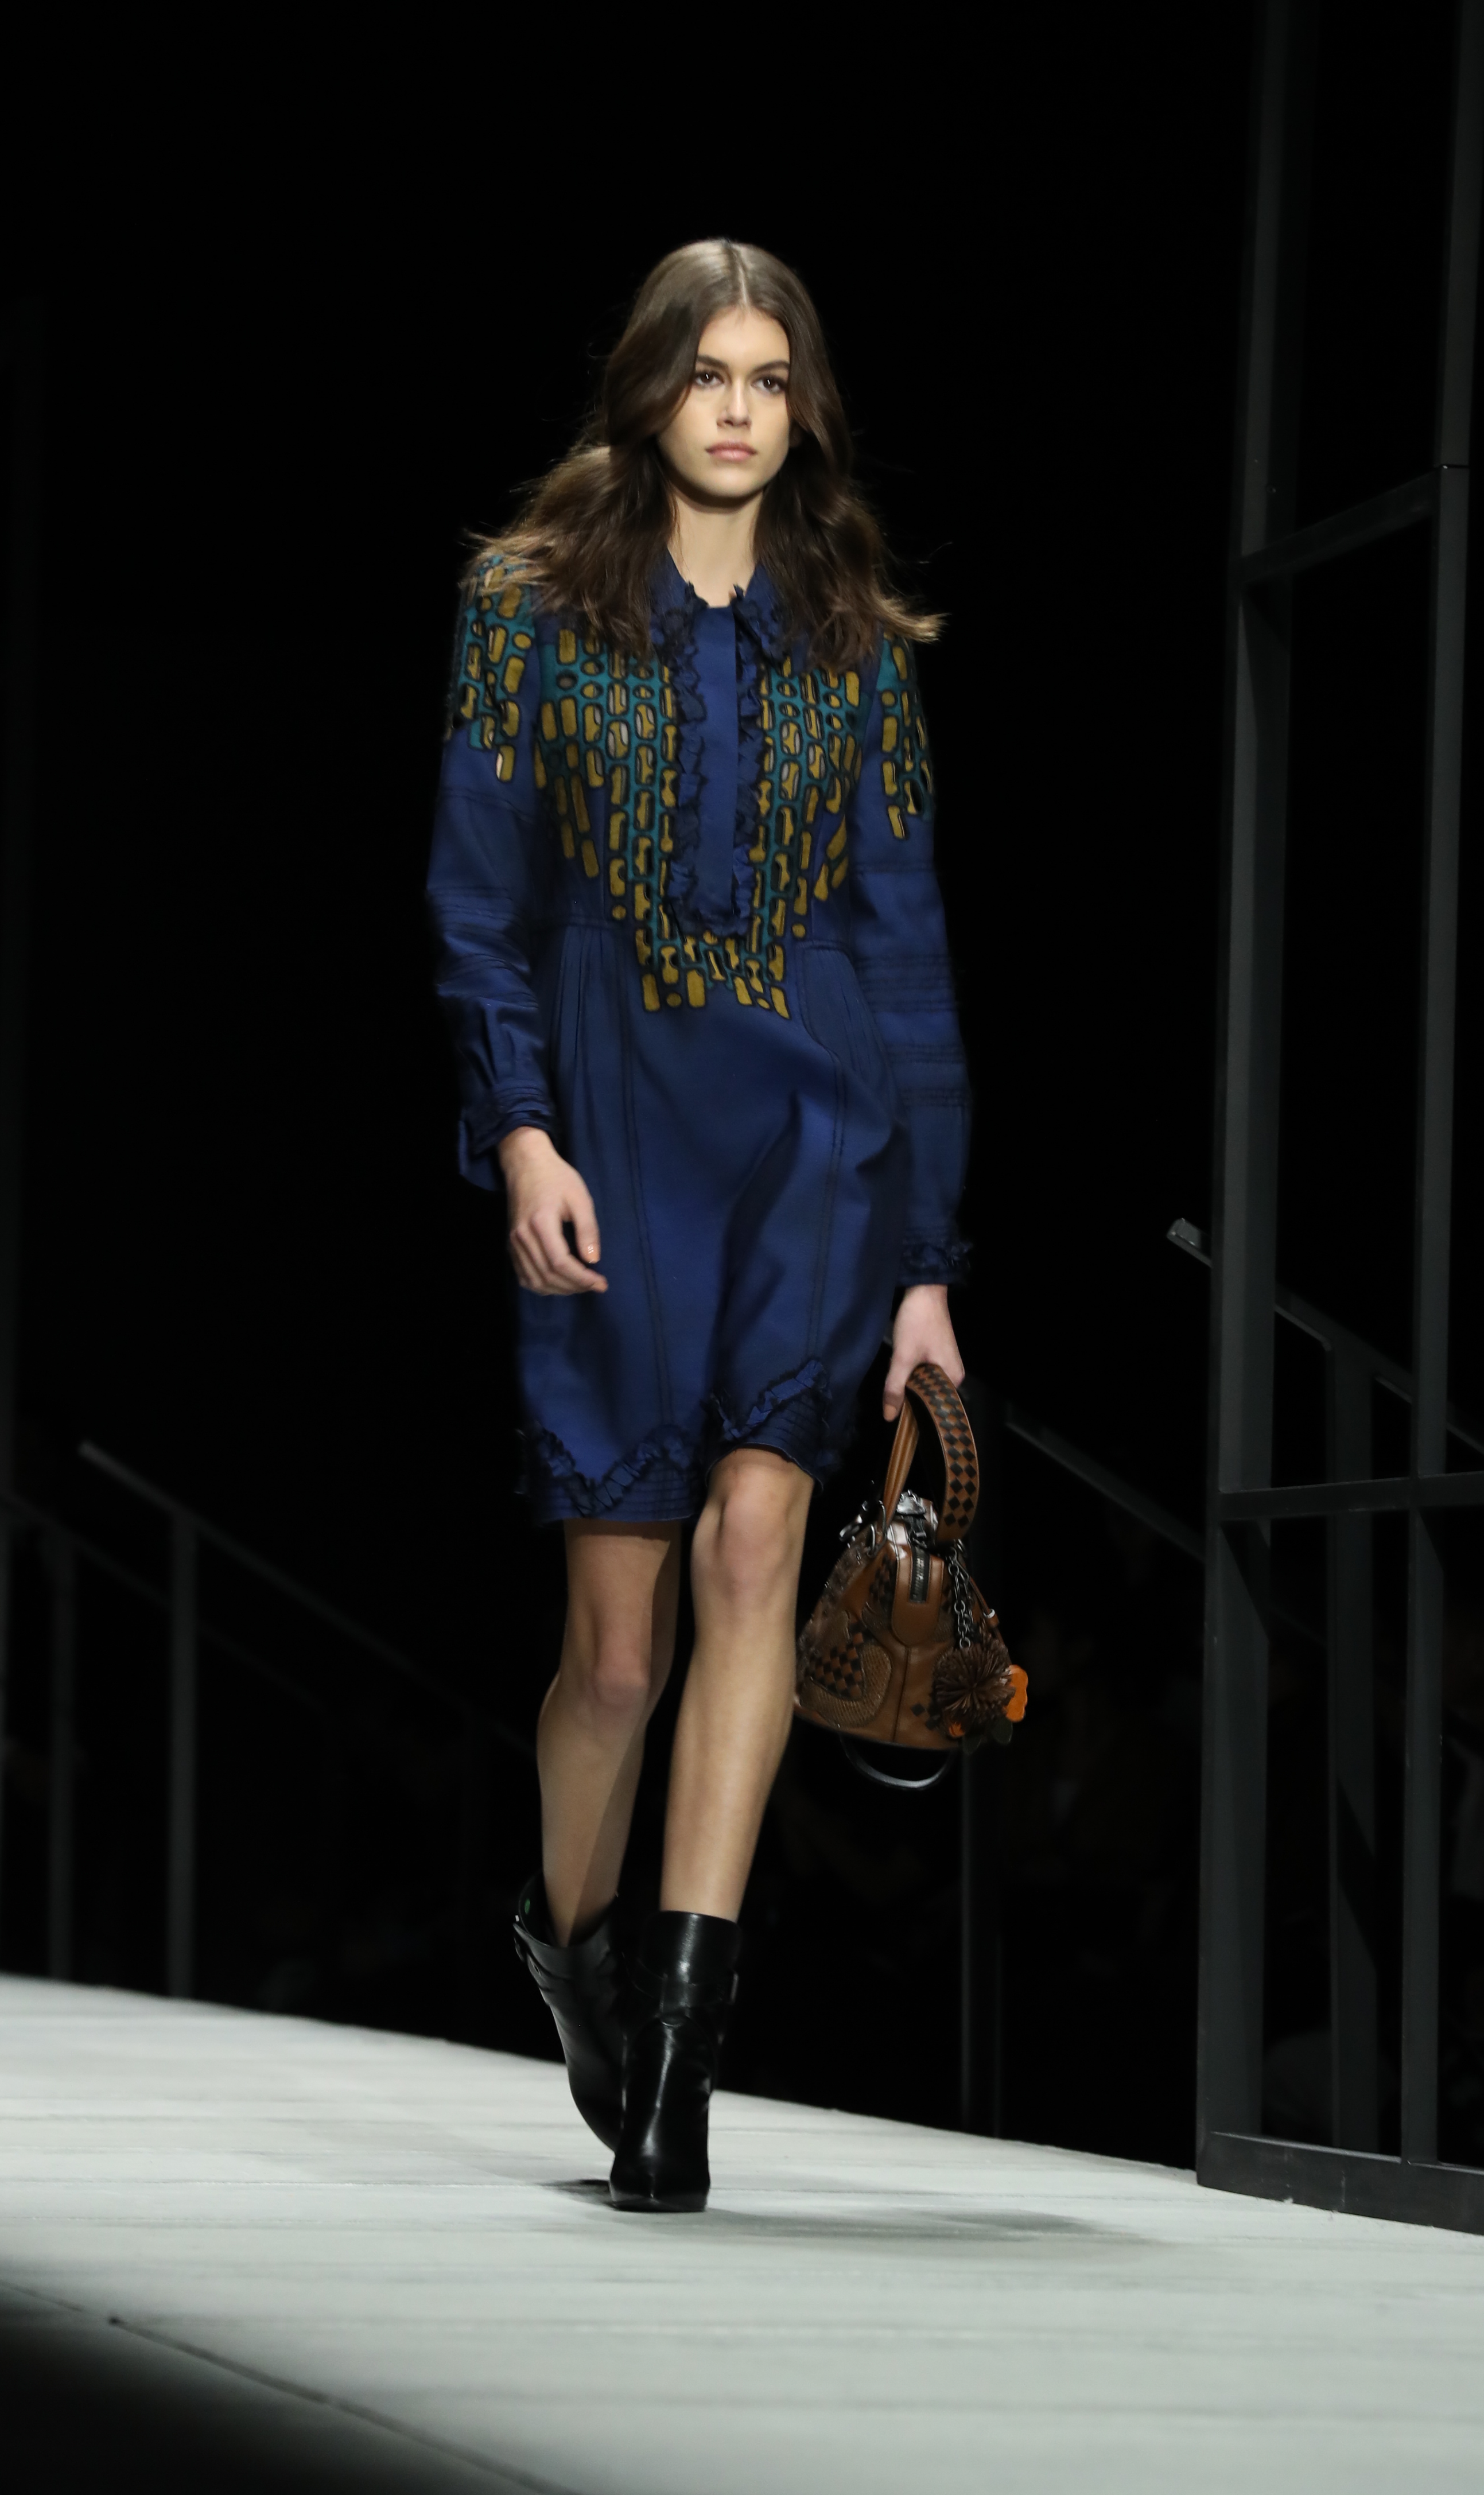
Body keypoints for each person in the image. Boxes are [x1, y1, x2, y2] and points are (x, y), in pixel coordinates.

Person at [427, 240, 970, 2211]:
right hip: (613, 1133)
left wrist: (928, 1258)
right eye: (707, 372)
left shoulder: (856, 638)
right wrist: (521, 1136)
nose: (738, 408)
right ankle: (571, 1944)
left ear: (801, 405)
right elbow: (478, 908)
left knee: (759, 1546)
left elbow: (902, 955)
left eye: (769, 376)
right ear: (648, 388)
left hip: (816, 1143)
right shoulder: (528, 612)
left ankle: (681, 2049)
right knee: (614, 1655)